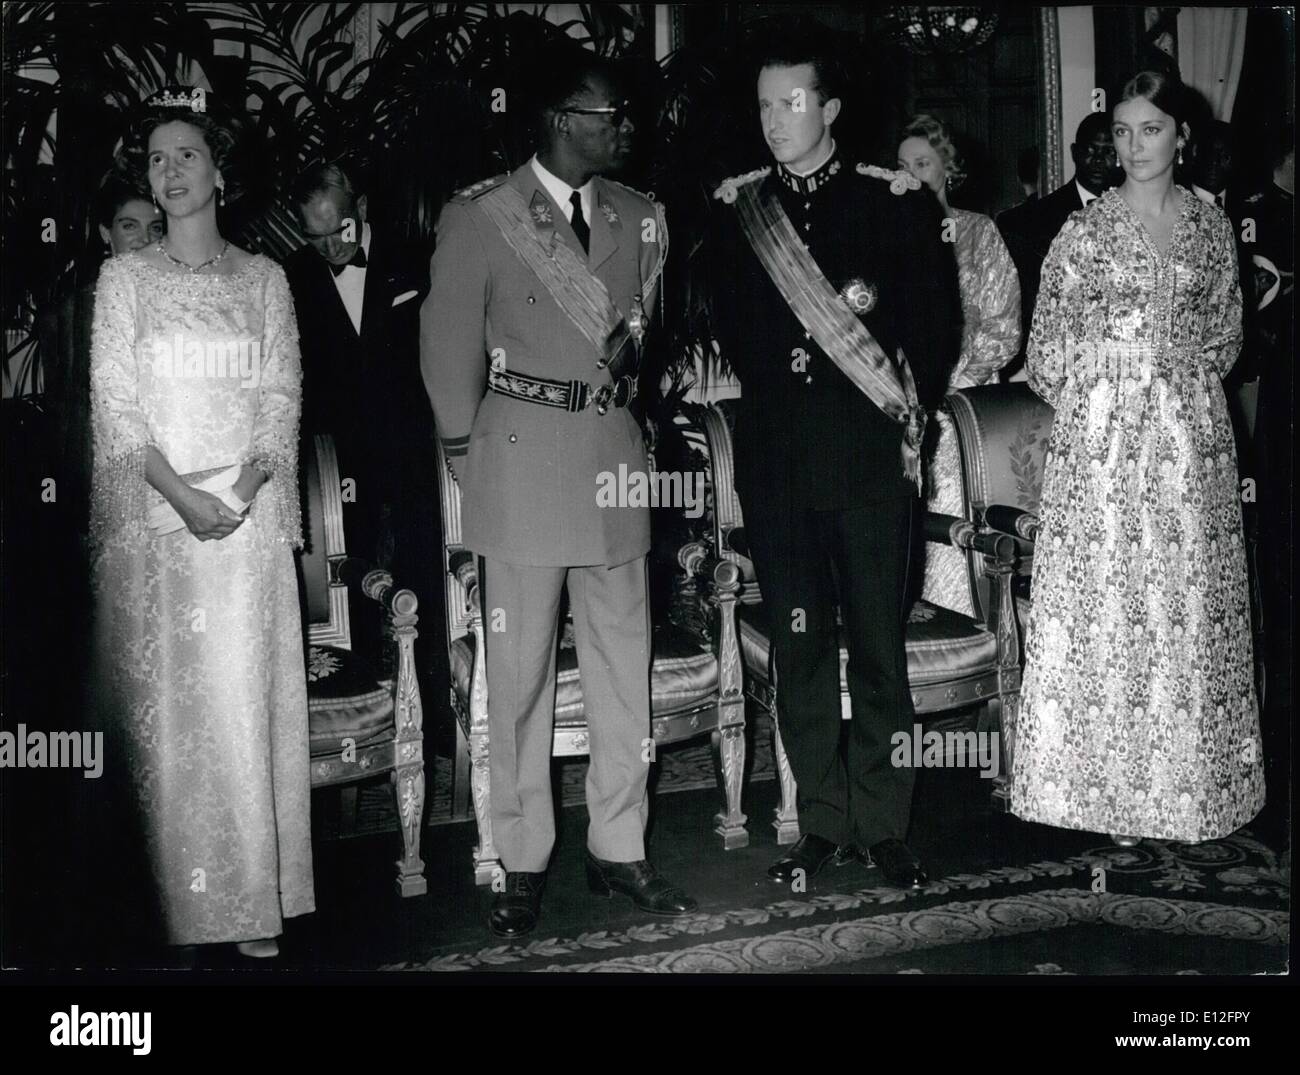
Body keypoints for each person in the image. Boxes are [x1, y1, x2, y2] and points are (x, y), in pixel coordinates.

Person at [420, 49, 696, 938]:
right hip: (521, 460)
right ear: (558, 120)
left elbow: (646, 346)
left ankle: (621, 844)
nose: (624, 127)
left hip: (613, 461)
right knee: (521, 675)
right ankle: (523, 855)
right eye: (607, 113)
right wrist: (472, 459)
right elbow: (446, 349)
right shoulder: (481, 216)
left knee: (625, 673)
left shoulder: (643, 217)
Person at [711, 33, 961, 888]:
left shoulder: (894, 205)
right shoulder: (739, 213)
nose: (775, 121)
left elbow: (932, 331)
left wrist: (906, 418)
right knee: (800, 646)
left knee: (881, 651)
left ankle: (886, 823)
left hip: (864, 466)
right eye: (764, 106)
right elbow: (734, 333)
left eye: (791, 103)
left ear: (830, 110)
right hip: (779, 467)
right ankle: (820, 823)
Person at [1011, 71, 1264, 845]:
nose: (1133, 146)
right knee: (1114, 608)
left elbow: (1226, 331)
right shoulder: (1084, 232)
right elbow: (1045, 347)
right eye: (1121, 131)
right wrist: (1113, 387)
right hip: (1103, 441)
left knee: (1185, 603)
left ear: (1181, 136)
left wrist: (1176, 385)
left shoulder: (1212, 226)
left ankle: (1190, 791)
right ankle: (1109, 796)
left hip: (1191, 438)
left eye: (1150, 129)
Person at [89, 87, 314, 958]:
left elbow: (279, 399)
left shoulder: (264, 280)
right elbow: (117, 414)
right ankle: (180, 906)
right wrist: (185, 500)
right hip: (160, 519)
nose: (170, 172)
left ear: (220, 171)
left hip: (245, 526)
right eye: (155, 158)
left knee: (238, 708)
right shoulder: (125, 281)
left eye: (187, 155)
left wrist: (246, 492)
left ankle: (253, 901)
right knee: (173, 722)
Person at [283, 162, 446, 704]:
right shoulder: (292, 278)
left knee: (427, 565)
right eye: (316, 236)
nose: (330, 247)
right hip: (341, 458)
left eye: (340, 230)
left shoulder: (420, 257)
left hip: (418, 445)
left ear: (363, 210)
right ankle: (365, 699)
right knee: (347, 576)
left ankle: (436, 695)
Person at [898, 114, 1020, 616]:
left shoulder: (978, 233)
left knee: (954, 507)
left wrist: (949, 384)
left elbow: (1004, 324)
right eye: (901, 165)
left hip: (962, 407)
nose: (909, 174)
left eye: (922, 163)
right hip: (900, 404)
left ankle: (965, 623)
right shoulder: (883, 236)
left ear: (948, 169)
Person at [40, 174, 165, 546]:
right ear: (105, 234)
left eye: (155, 228)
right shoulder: (76, 309)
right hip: (110, 481)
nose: (144, 239)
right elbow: (71, 417)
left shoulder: (185, 298)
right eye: (130, 226)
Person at [997, 112, 1122, 378]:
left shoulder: (1138, 215)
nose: (1099, 160)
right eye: (1090, 150)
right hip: (1056, 364)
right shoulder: (1030, 220)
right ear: (1074, 153)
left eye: (1109, 151)